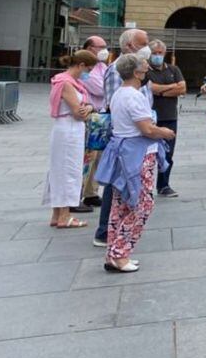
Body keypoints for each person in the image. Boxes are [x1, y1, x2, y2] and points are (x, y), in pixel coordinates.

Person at [96, 54, 175, 271]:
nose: (148, 66)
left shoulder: (120, 94)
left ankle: (114, 252)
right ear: (136, 72)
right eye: (144, 65)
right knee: (142, 204)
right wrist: (164, 133)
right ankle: (120, 253)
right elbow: (146, 129)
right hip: (138, 153)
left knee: (121, 204)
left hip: (124, 150)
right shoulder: (134, 96)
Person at [94, 28, 152, 249]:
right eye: (143, 42)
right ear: (129, 46)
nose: (147, 46)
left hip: (139, 136)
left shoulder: (138, 71)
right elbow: (113, 105)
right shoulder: (115, 71)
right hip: (125, 137)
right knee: (116, 183)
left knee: (128, 183)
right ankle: (103, 231)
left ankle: (119, 228)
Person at [44, 50, 96, 228]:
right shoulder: (67, 83)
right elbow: (78, 112)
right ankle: (65, 216)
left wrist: (87, 106)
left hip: (66, 129)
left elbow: (84, 107)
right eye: (88, 69)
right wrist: (88, 108)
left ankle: (57, 214)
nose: (89, 73)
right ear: (81, 65)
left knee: (59, 170)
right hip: (70, 130)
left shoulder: (68, 81)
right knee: (69, 171)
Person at [147, 40, 186, 198]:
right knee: (148, 155)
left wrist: (160, 91)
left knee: (168, 154)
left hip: (170, 117)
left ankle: (164, 185)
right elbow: (150, 88)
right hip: (151, 118)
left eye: (160, 53)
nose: (157, 56)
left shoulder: (173, 69)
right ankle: (146, 187)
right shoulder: (146, 70)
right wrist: (171, 87)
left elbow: (182, 88)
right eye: (154, 53)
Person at [80, 36, 110, 208]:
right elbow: (101, 88)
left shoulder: (102, 66)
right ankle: (77, 193)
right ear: (90, 48)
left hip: (101, 115)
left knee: (98, 156)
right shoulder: (85, 67)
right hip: (89, 115)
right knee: (87, 156)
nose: (104, 50)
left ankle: (91, 192)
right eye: (101, 47)